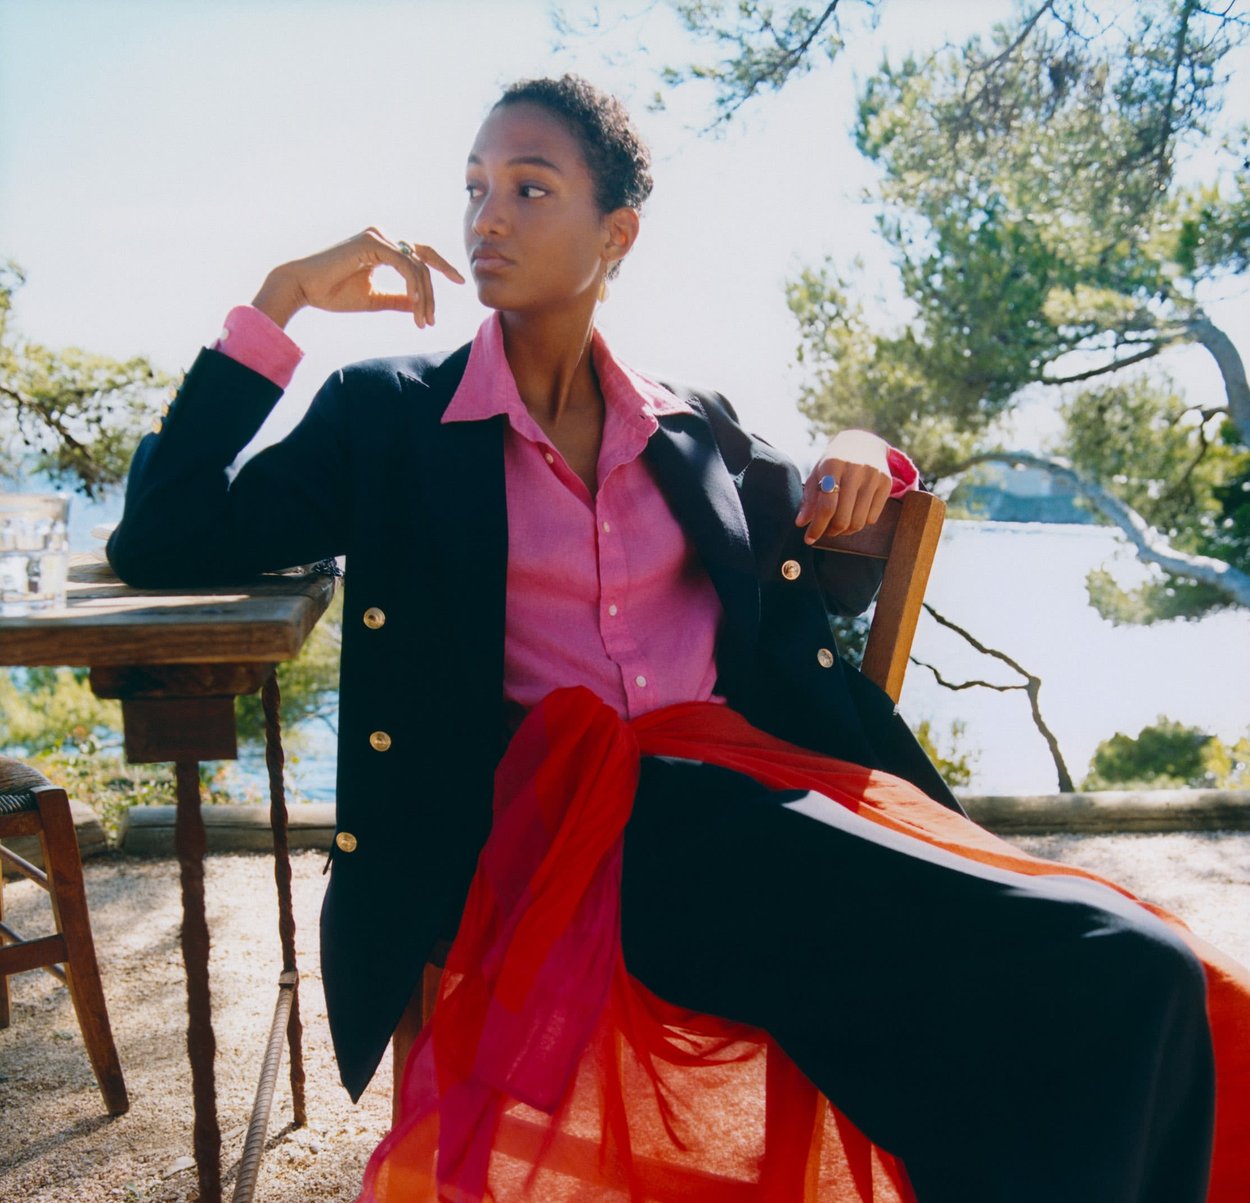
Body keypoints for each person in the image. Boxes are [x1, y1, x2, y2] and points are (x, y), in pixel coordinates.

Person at [108, 76, 1249, 1202]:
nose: (485, 218)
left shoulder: (689, 427)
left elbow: (827, 551)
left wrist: (864, 445)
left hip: (743, 801)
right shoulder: (391, 415)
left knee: (1141, 966)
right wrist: (281, 297)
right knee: (1076, 979)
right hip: (550, 841)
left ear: (617, 235)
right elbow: (163, 539)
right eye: (473, 189)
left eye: (527, 187)